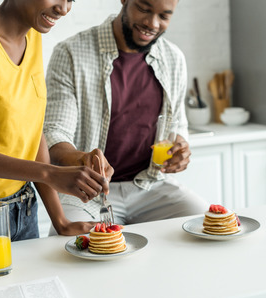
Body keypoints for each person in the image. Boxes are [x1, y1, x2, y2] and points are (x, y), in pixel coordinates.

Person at [0, 0, 109, 254]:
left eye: (72, 0)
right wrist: (49, 173)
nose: (64, 8)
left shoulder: (33, 35)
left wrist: (61, 220)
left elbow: (32, 133)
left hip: (23, 210)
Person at [44, 0, 208, 233]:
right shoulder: (71, 52)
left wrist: (181, 145)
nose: (152, 23)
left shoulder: (174, 58)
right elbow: (54, 132)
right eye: (144, 8)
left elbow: (177, 122)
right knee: (69, 244)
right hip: (88, 193)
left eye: (164, 16)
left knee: (207, 227)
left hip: (151, 186)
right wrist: (81, 159)